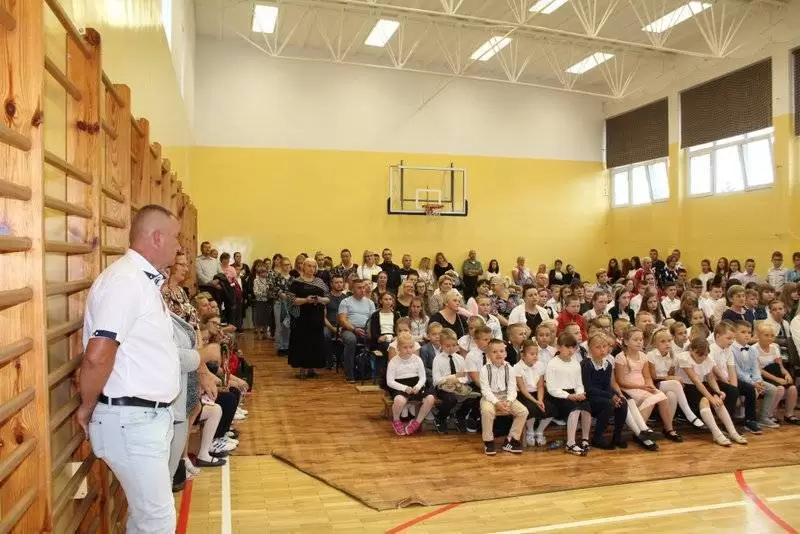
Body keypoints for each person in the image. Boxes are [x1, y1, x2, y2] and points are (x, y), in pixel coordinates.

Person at [78, 205, 189, 533]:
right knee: (158, 520)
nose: (178, 246)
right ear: (156, 238)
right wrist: (87, 405)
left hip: (144, 419)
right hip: (131, 420)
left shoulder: (141, 281)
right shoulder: (125, 282)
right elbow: (98, 355)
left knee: (145, 519)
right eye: (175, 237)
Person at [675, 337, 747, 446]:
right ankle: (716, 434)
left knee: (718, 400)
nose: (703, 357)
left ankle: (733, 432)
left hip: (700, 385)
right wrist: (710, 398)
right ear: (691, 350)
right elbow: (695, 381)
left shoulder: (708, 359)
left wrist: (718, 391)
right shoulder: (684, 358)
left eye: (705, 355)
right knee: (705, 400)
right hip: (686, 388)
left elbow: (710, 378)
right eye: (700, 355)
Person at [615, 327, 679, 446]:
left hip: (643, 387)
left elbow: (647, 377)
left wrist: (650, 386)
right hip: (629, 389)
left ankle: (669, 429)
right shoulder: (621, 357)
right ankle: (640, 432)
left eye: (641, 339)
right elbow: (621, 381)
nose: (639, 342)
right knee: (651, 399)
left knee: (662, 397)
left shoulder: (643, 356)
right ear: (626, 342)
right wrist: (642, 387)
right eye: (635, 340)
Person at [545, 333, 592, 456]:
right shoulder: (552, 364)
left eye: (573, 347)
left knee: (586, 407)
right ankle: (570, 443)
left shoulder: (575, 363)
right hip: (557, 396)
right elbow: (551, 388)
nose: (571, 350)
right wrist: (568, 396)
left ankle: (585, 439)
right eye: (567, 347)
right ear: (559, 347)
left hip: (573, 393)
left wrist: (580, 394)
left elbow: (579, 384)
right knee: (574, 409)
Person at [480, 339, 528, 455]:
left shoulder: (510, 369)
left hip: (506, 397)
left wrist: (509, 401)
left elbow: (512, 388)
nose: (499, 354)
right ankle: (488, 441)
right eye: (494, 352)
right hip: (490, 398)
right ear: (488, 355)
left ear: (505, 353)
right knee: (487, 411)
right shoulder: (484, 369)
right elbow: (485, 390)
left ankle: (511, 440)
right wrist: (497, 403)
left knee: (523, 411)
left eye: (501, 351)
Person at [580, 334, 628, 450]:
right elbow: (588, 388)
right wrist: (610, 397)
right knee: (609, 403)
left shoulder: (608, 364)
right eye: (598, 347)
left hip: (602, 396)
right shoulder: (586, 364)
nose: (602, 350)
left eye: (604, 346)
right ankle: (597, 437)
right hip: (589, 397)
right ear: (590, 349)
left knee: (623, 402)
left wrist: (615, 396)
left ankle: (617, 437)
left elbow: (607, 386)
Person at [386, 332, 436, 435]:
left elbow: (423, 377)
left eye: (411, 347)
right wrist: (404, 388)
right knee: (399, 401)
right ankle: (396, 420)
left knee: (430, 399)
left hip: (416, 385)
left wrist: (418, 386)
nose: (408, 350)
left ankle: (417, 422)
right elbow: (390, 381)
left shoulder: (417, 360)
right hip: (400, 386)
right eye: (405, 347)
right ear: (398, 348)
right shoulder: (393, 362)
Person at [432, 328, 479, 434]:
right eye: (448, 346)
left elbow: (466, 377)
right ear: (441, 345)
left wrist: (458, 380)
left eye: (454, 345)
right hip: (443, 388)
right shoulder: (437, 359)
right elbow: (436, 381)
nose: (451, 348)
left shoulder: (460, 359)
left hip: (459, 386)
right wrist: (453, 377)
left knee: (473, 396)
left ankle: (460, 416)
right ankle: (440, 418)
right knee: (451, 398)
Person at [514, 340, 553, 447]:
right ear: (523, 355)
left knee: (551, 408)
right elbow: (522, 389)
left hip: (537, 394)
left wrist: (540, 400)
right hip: (523, 395)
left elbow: (540, 386)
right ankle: (530, 431)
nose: (535, 356)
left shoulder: (540, 365)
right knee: (531, 408)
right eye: (532, 354)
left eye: (536, 354)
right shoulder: (517, 367)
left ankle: (539, 431)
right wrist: (535, 402)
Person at [338, 279, 377, 383]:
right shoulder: (345, 301)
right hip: (349, 329)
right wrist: (354, 329)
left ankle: (373, 372)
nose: (362, 290)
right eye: (359, 288)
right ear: (352, 289)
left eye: (363, 287)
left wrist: (369, 332)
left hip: (365, 329)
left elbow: (373, 320)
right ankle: (350, 374)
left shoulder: (370, 303)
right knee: (351, 340)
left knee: (378, 339)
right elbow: (342, 320)